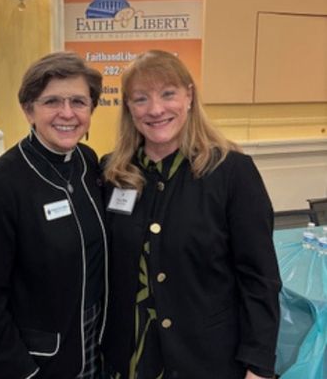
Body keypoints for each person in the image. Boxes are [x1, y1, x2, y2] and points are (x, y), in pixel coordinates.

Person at [101, 50, 281, 379]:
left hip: (207, 360)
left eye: (168, 94)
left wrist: (258, 364)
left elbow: (259, 277)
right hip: (129, 360)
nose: (156, 109)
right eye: (141, 99)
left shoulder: (231, 172)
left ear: (189, 96)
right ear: (128, 107)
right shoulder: (112, 173)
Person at [0, 51, 108, 379]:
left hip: (97, 346)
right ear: (29, 110)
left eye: (78, 101)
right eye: (52, 101)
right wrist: (23, 373)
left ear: (91, 109)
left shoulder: (88, 162)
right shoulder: (1, 185)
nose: (67, 113)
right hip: (42, 363)